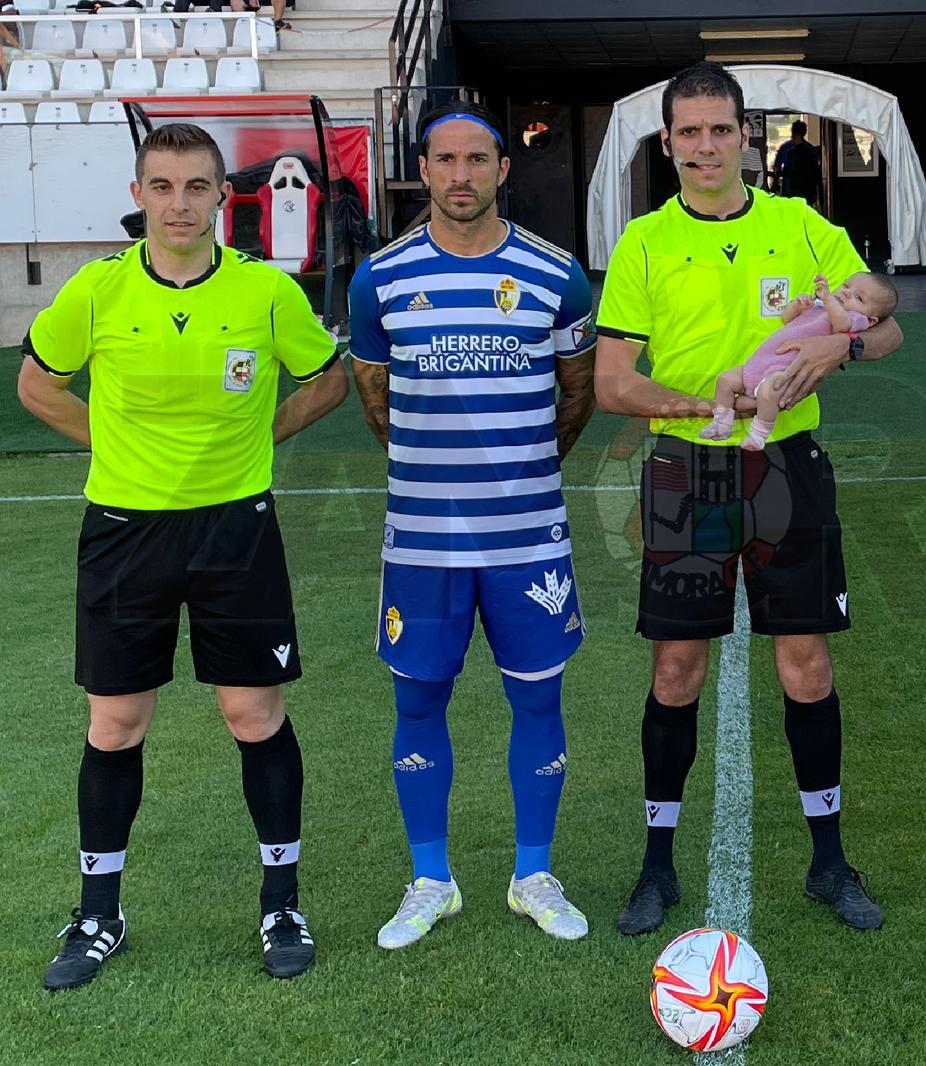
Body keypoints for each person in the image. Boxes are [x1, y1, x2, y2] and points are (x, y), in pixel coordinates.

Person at [17, 122, 347, 989]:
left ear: (221, 197)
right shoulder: (97, 289)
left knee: (253, 716)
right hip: (124, 530)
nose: (179, 204)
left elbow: (327, 378)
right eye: (161, 186)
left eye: (196, 186)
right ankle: (98, 914)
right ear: (138, 195)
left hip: (236, 528)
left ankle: (281, 904)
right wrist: (115, 446)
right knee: (116, 725)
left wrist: (262, 438)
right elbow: (37, 383)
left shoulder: (264, 290)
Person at [594, 61, 904, 935]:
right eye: (689, 132)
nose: (706, 146)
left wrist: (839, 349)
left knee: (806, 663)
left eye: (720, 129)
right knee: (676, 668)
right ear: (667, 143)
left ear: (746, 136)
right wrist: (710, 406)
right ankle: (657, 865)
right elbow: (614, 383)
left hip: (788, 468)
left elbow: (886, 326)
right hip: (687, 472)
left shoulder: (799, 225)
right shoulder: (644, 242)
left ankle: (830, 861)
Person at [347, 101, 598, 949]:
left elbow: (577, 396)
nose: (461, 175)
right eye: (445, 160)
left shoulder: (556, 274)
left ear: (503, 169)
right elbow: (376, 403)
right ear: (423, 171)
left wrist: (519, 474)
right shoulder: (379, 279)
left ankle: (534, 875)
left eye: (477, 159)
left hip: (528, 538)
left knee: (539, 697)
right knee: (418, 700)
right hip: (423, 542)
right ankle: (431, 881)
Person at [701, 271, 898, 450]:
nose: (847, 293)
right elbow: (788, 321)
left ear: (871, 320)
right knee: (726, 380)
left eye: (859, 297)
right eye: (846, 286)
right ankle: (721, 424)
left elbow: (842, 326)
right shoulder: (820, 307)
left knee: (769, 392)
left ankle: (758, 434)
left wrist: (828, 298)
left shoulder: (856, 318)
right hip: (760, 362)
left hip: (781, 369)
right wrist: (797, 306)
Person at [772, 120, 821, 205]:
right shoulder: (811, 149)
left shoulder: (785, 149)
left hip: (789, 190)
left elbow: (777, 168)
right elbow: (816, 173)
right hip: (807, 190)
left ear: (792, 132)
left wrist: (776, 183)